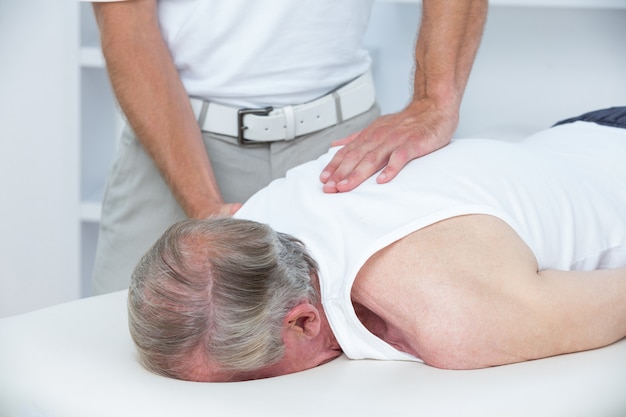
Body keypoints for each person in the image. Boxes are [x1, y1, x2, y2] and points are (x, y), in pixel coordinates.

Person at [128, 107, 626, 382]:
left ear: (302, 321)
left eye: (239, 384)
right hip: (573, 137)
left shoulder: (457, 319)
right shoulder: (252, 221)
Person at [88, 0, 488, 294]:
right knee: (119, 353)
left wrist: (434, 102)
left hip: (342, 151)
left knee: (371, 357)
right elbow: (127, 23)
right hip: (173, 144)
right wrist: (202, 204)